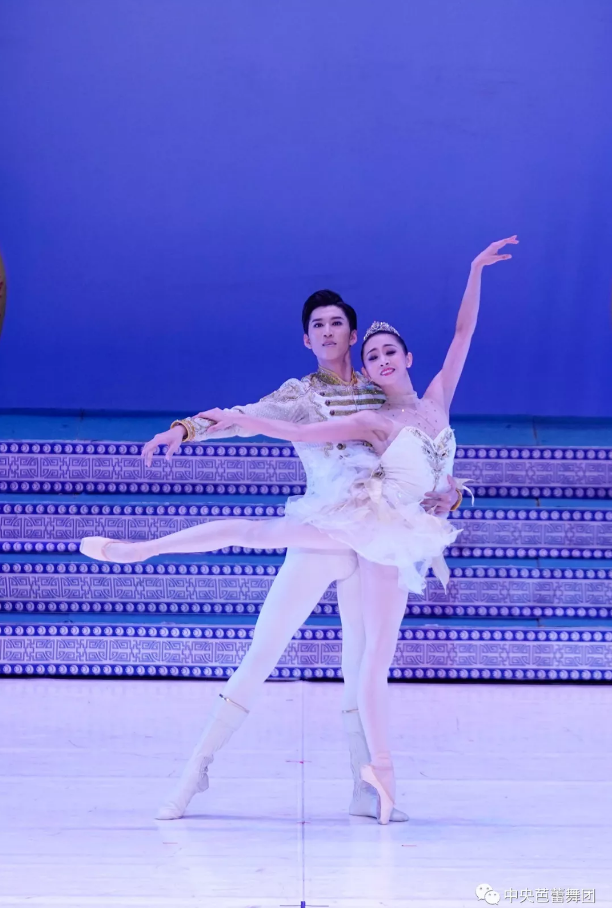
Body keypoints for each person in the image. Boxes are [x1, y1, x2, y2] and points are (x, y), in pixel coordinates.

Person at [82, 237, 516, 823]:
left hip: (376, 542)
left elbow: (424, 457)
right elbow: (246, 420)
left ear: (354, 335)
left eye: (337, 323)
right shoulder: (301, 395)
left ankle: (366, 789)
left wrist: (455, 491)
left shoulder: (381, 388)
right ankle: (195, 771)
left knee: (360, 666)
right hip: (325, 529)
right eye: (318, 325)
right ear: (306, 339)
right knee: (263, 651)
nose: (328, 331)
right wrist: (184, 430)